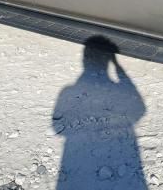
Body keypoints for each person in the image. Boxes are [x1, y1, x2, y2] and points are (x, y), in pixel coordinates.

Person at [53, 36, 147, 189]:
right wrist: (117, 66)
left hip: (73, 156)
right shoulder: (69, 91)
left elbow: (56, 128)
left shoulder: (68, 91)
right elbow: (140, 109)